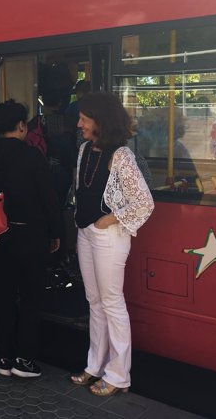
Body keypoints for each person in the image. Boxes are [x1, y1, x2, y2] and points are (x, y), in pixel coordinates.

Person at [70, 92, 154, 396]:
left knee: (112, 303)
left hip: (107, 236)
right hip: (86, 232)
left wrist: (110, 219)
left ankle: (118, 375)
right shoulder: (83, 150)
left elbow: (144, 202)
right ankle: (95, 365)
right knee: (95, 302)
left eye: (84, 119)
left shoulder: (121, 155)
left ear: (100, 122)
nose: (79, 124)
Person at [0, 100, 62, 378]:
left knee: (4, 297)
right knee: (31, 298)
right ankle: (24, 360)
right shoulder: (33, 157)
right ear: (21, 126)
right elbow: (49, 199)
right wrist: (57, 233)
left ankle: (4, 357)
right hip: (30, 237)